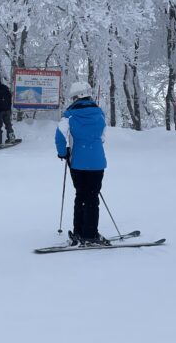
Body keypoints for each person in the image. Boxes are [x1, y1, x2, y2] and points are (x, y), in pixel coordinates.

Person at [55, 81, 109, 246]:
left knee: (80, 195)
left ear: (75, 97)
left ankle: (79, 231)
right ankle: (90, 233)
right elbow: (103, 137)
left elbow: (59, 137)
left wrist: (63, 153)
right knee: (92, 197)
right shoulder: (100, 114)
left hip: (77, 163)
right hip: (97, 162)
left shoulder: (69, 116)